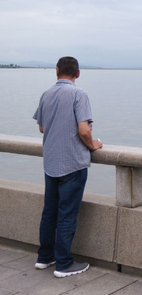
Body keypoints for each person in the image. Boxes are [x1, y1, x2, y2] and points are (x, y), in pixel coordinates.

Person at [32, 56, 103, 278]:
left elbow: (42, 127)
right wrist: (93, 144)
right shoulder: (78, 94)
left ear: (56, 71)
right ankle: (63, 263)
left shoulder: (46, 94)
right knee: (67, 214)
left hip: (51, 161)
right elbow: (84, 130)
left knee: (49, 211)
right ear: (78, 73)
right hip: (72, 163)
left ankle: (44, 257)